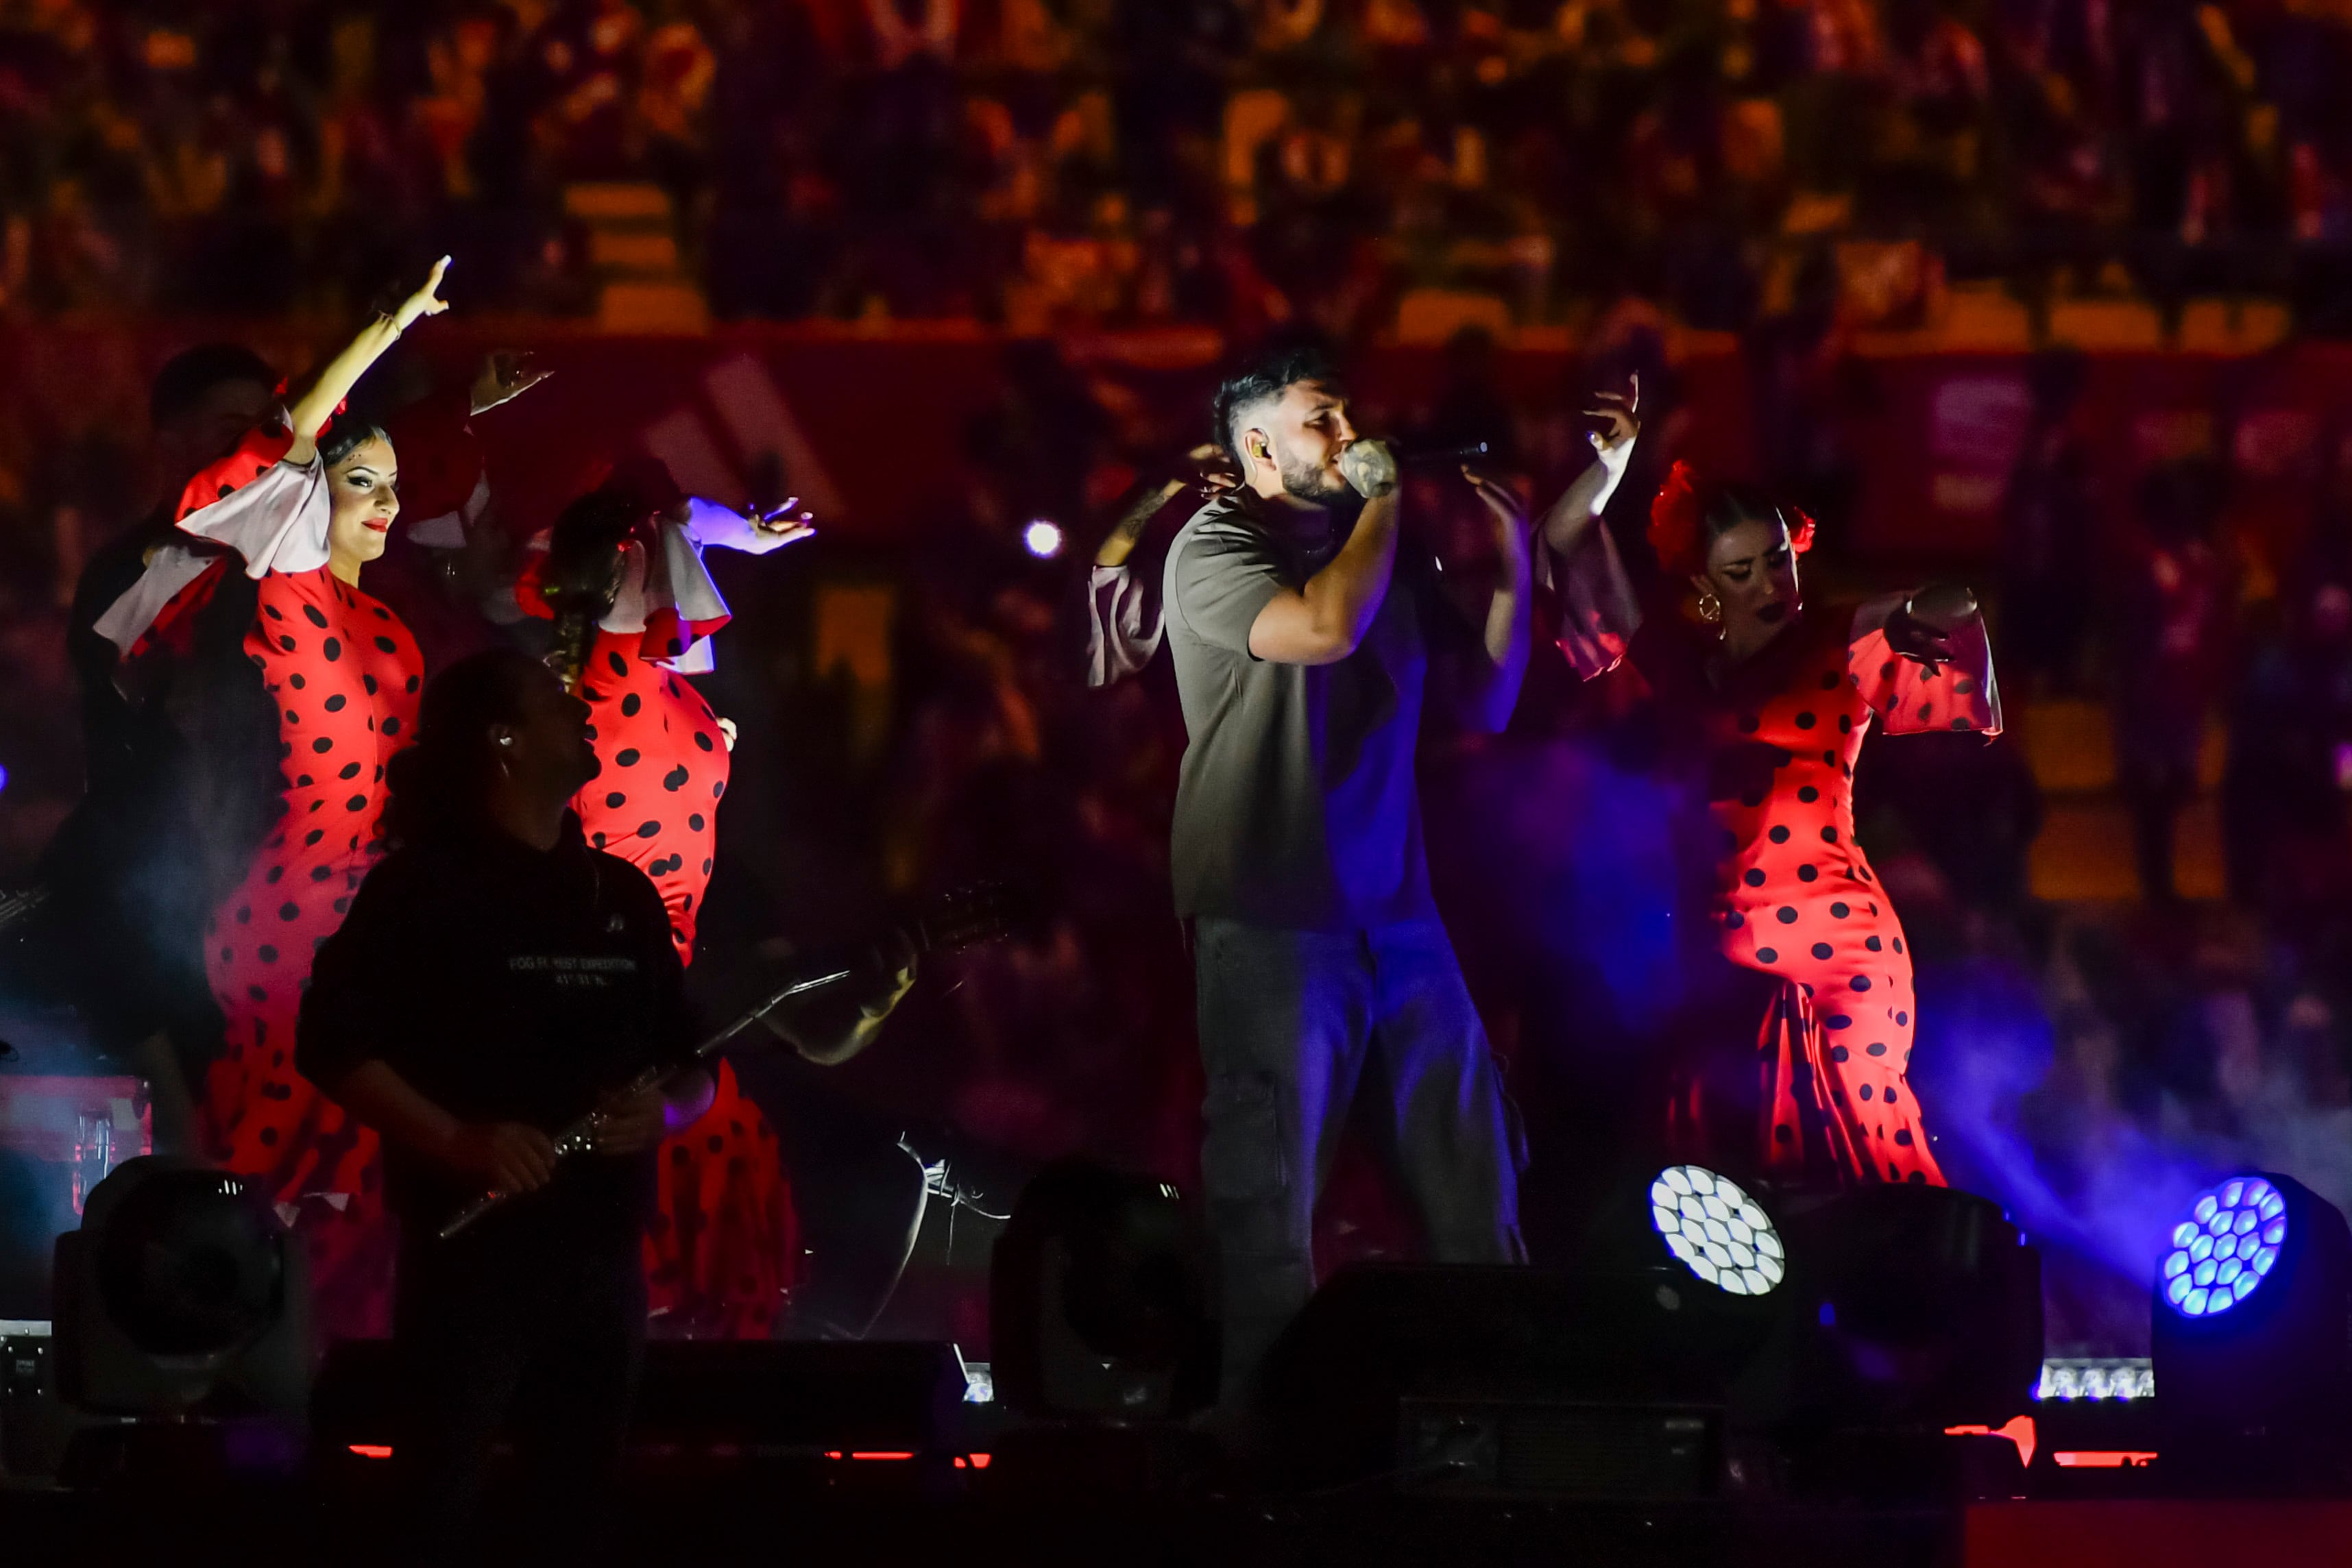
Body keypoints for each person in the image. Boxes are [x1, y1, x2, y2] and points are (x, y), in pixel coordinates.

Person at [1158, 344, 1533, 1408]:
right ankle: (1256, 1450)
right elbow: (1320, 628)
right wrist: (1382, 512)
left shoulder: (1380, 553)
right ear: (1258, 443)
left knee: (1474, 1186)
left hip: (1396, 916)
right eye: (1322, 417)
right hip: (1271, 914)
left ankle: (1490, 1432)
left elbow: (1486, 703)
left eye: (1348, 412)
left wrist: (1511, 571)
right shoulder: (1213, 547)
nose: (1351, 434)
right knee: (1270, 1203)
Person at [92, 260, 455, 1337]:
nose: (389, 504)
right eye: (364, 485)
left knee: (356, 1190)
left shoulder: (389, 625)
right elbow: (285, 457)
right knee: (284, 1182)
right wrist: (381, 329)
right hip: (289, 919)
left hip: (367, 921)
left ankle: (336, 1382)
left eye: (396, 485)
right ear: (309, 503)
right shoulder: (286, 592)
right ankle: (241, 1378)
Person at [295, 648, 714, 1556]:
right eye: (557, 704)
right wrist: (457, 1140)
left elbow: (691, 1062)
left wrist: (668, 1112)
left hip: (602, 1266)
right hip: (470, 1264)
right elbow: (330, 1044)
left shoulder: (621, 894)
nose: (584, 715)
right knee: (437, 1506)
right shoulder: (422, 890)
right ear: (504, 740)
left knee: (576, 1510)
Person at [1544, 457, 2000, 1186]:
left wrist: (1922, 610)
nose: (1767, 585)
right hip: (1718, 965)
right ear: (1703, 587)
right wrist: (1606, 467)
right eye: (1740, 572)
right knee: (1730, 1181)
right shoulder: (1673, 662)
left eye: (1777, 560)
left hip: (1839, 954)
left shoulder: (1837, 636)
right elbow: (1566, 536)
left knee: (1861, 1156)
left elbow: (1954, 603)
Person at [527, 464, 834, 1338]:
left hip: (679, 987)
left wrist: (740, 530)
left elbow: (665, 509)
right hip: (594, 998)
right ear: (614, 568)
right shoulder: (567, 709)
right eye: (653, 553)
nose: (674, 561)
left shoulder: (664, 674)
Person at [46, 344, 278, 1146]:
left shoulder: (299, 569)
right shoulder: (133, 572)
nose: (256, 449)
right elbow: (163, 707)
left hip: (283, 893)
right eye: (231, 430)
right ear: (172, 444)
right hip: (172, 897)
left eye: (268, 428)